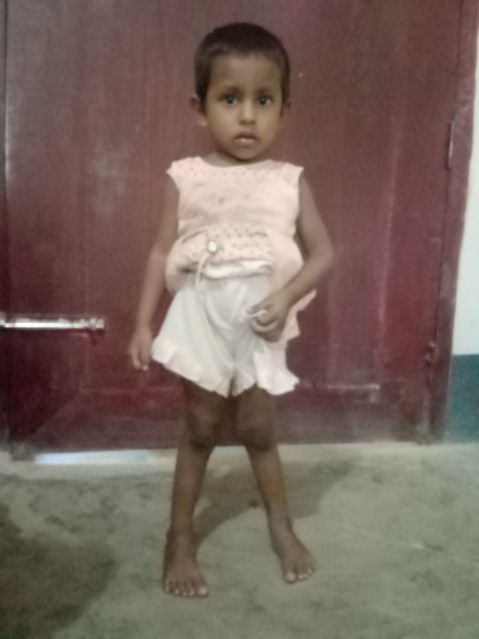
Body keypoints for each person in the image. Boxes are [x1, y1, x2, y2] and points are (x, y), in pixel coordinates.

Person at [128, 22, 334, 598]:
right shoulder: (185, 178)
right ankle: (179, 537)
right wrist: (143, 322)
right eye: (229, 99)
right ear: (200, 109)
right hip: (201, 319)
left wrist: (286, 297)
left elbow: (323, 254)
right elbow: (161, 251)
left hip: (259, 323)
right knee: (199, 430)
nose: (247, 116)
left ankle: (281, 526)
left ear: (284, 111)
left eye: (263, 101)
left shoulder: (289, 182)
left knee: (258, 430)